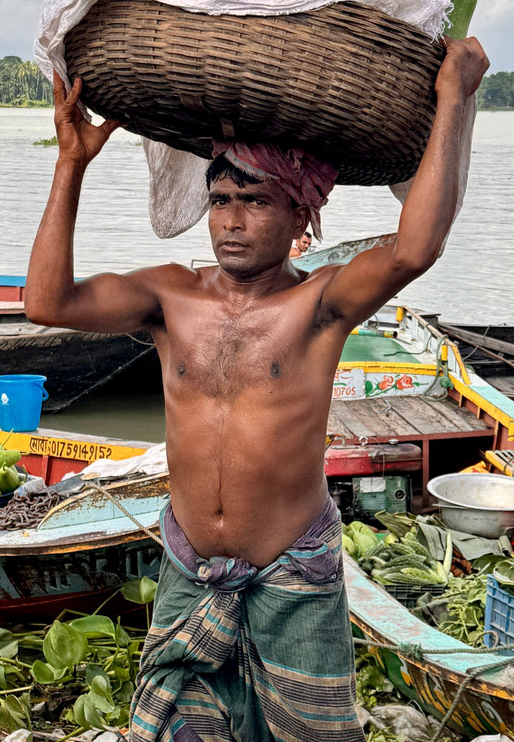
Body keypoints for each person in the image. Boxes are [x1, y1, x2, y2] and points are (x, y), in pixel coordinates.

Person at [25, 36, 489, 742]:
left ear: (301, 217)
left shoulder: (321, 306)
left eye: (255, 201)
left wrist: (453, 99)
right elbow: (46, 302)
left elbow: (414, 248)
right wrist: (72, 162)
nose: (232, 221)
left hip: (292, 571)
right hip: (189, 565)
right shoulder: (169, 298)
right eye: (220, 200)